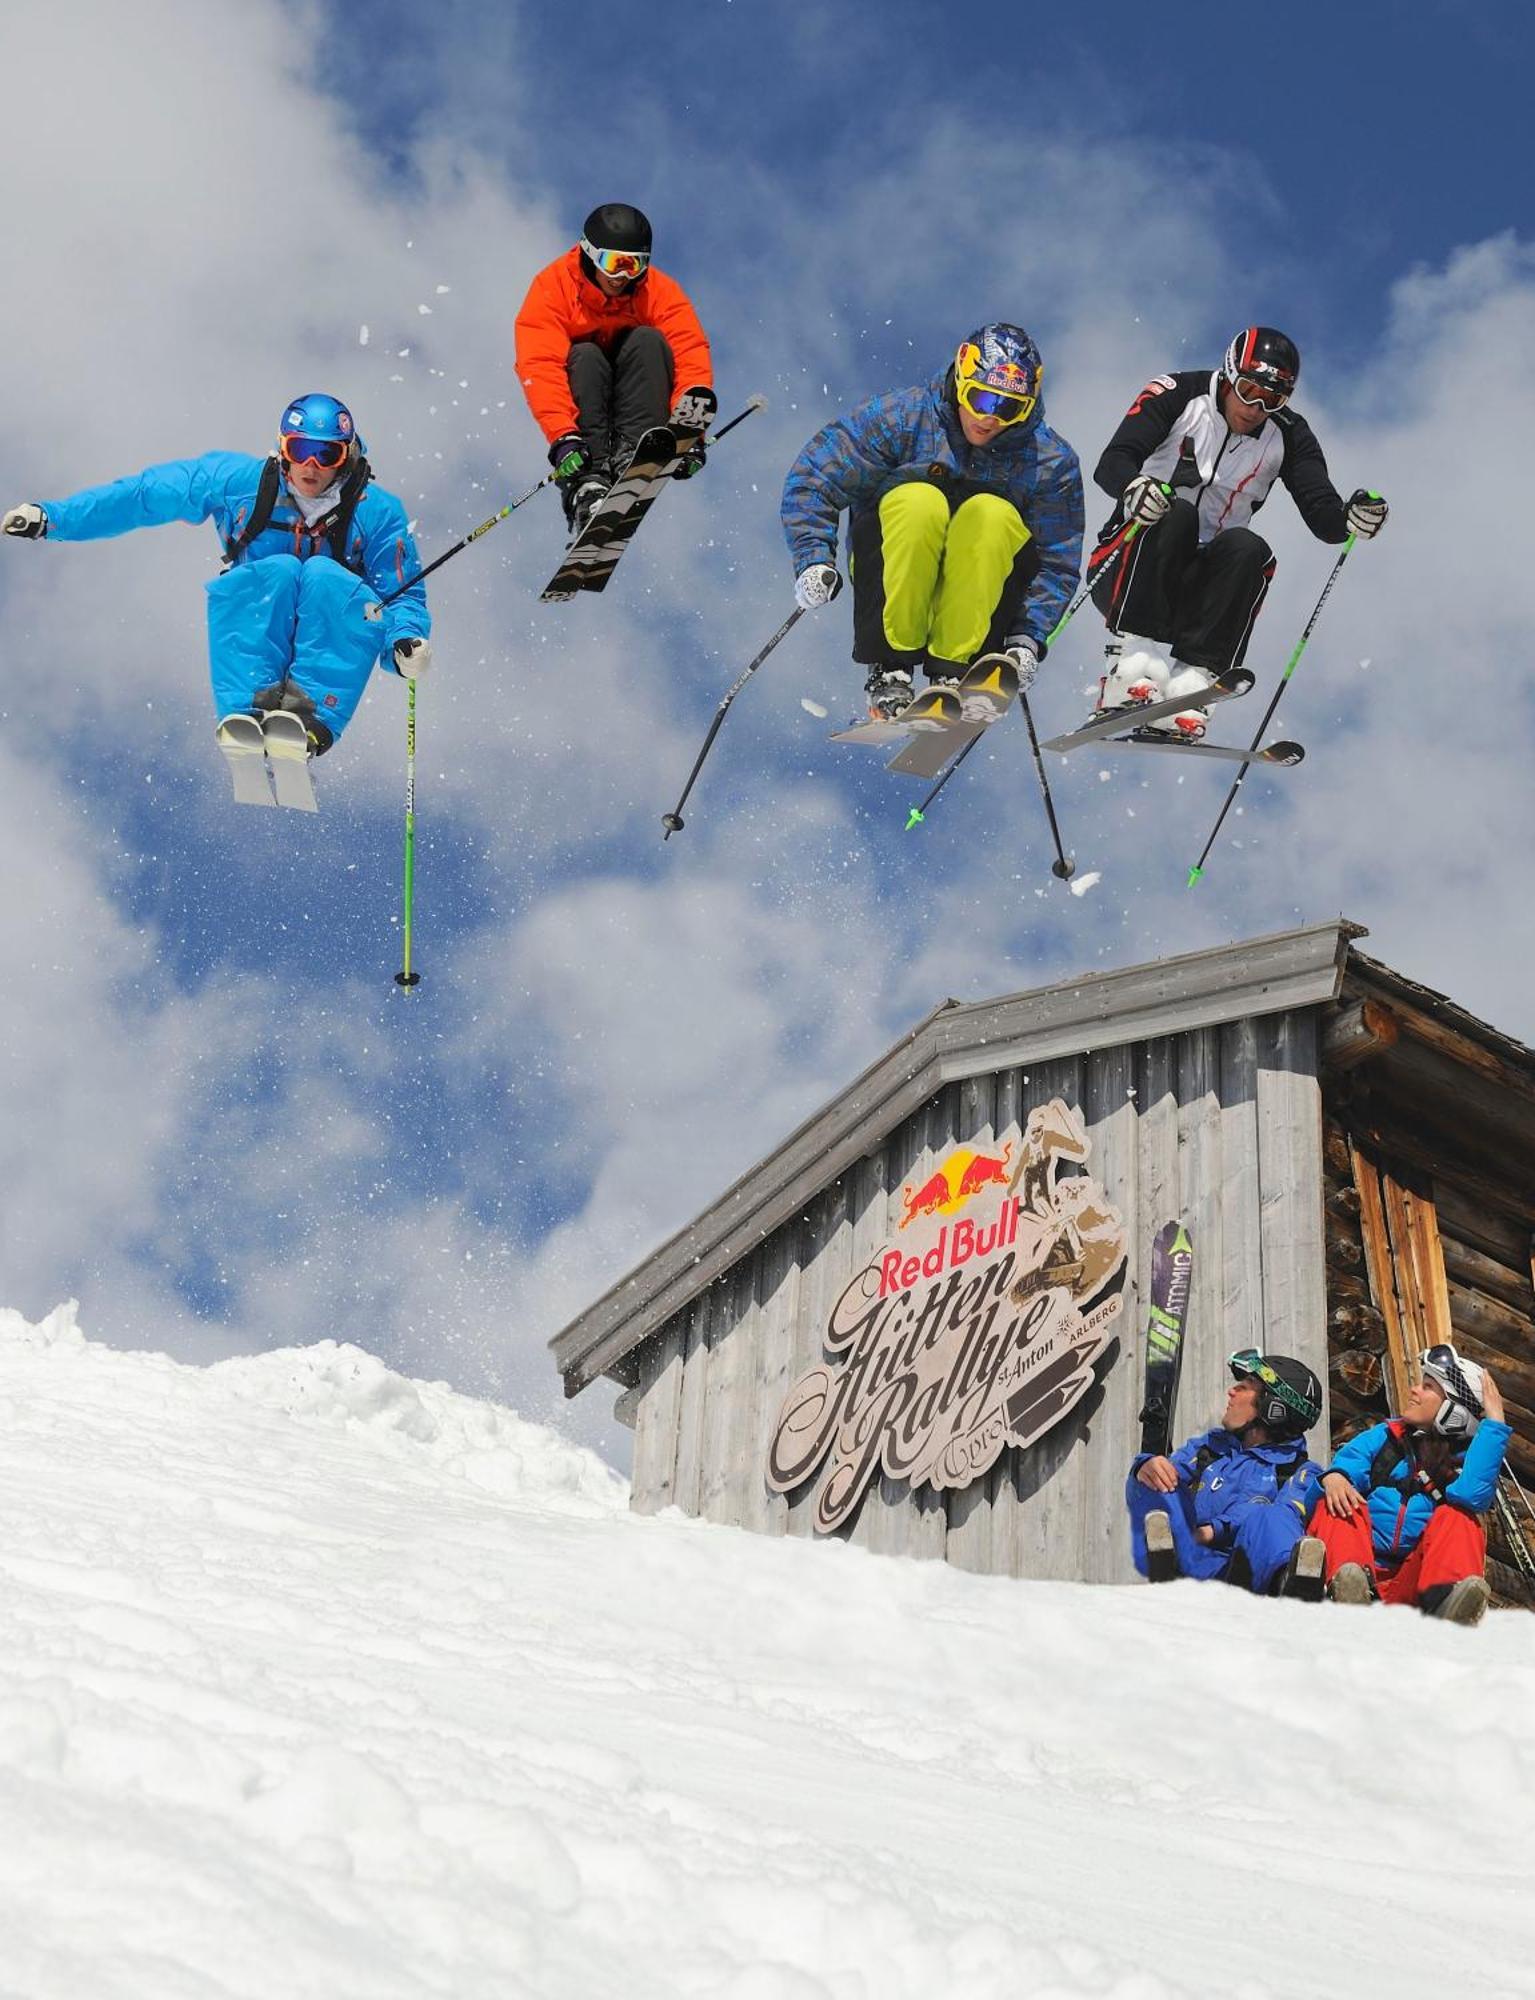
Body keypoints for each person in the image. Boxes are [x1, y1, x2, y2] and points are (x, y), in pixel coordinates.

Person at [1, 393, 430, 780]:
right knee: (276, 570)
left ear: (346, 455)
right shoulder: (238, 484)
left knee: (323, 575)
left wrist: (405, 641)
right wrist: (53, 519)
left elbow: (402, 589)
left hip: (332, 619)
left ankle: (310, 714)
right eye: (300, 449)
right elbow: (143, 495)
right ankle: (248, 706)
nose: (311, 466)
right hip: (260, 604)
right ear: (282, 449)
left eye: (326, 453)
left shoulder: (376, 512)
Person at [1087, 326, 1389, 737]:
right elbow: (1112, 462)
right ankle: (1131, 664)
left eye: (1271, 400)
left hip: (1197, 596)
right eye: (1248, 390)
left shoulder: (1290, 435)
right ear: (1229, 373)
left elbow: (1324, 516)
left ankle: (1191, 683)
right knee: (1177, 514)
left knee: (1249, 550)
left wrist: (1351, 518)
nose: (1254, 407)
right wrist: (1134, 487)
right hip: (1129, 567)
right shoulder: (1177, 392)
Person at [779, 323, 1085, 721]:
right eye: (980, 398)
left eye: (1007, 408)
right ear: (960, 380)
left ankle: (957, 671)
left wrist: (1028, 637)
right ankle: (892, 667)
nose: (989, 418)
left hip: (982, 590)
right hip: (896, 562)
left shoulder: (1047, 461)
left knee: (992, 515)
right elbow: (816, 475)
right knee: (920, 500)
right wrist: (813, 557)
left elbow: (1056, 561)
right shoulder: (904, 418)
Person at [514, 203, 715, 539]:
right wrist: (563, 435)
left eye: (634, 265)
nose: (622, 276)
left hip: (634, 395)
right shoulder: (553, 288)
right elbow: (540, 364)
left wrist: (689, 432)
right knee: (587, 355)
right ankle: (589, 484)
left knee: (649, 341)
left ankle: (635, 455)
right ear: (590, 254)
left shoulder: (659, 292)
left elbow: (689, 352)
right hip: (585, 400)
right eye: (614, 263)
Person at [1307, 1344, 1511, 1625]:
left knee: (1460, 1517)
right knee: (1338, 1502)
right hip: (1359, 1579)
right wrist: (1334, 1477)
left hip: (1411, 1590)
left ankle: (1446, 1605)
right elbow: (1348, 1464)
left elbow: (1471, 1495)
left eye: (1427, 1386)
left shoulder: (1464, 1460)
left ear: (1454, 1411)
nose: (1414, 1390)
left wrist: (1495, 1424)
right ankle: (1346, 1591)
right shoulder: (1385, 1437)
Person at [1127, 1350, 1327, 1597]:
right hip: (1193, 1564)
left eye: (1244, 1387)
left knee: (1271, 1516)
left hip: (1249, 1577)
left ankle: (1294, 1588)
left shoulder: (1300, 1472)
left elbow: (1281, 1516)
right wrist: (1144, 1467)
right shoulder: (1209, 1448)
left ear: (1273, 1408)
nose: (1232, 1391)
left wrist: (1212, 1530)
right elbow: (1161, 1480)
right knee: (1160, 1475)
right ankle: (1166, 1558)